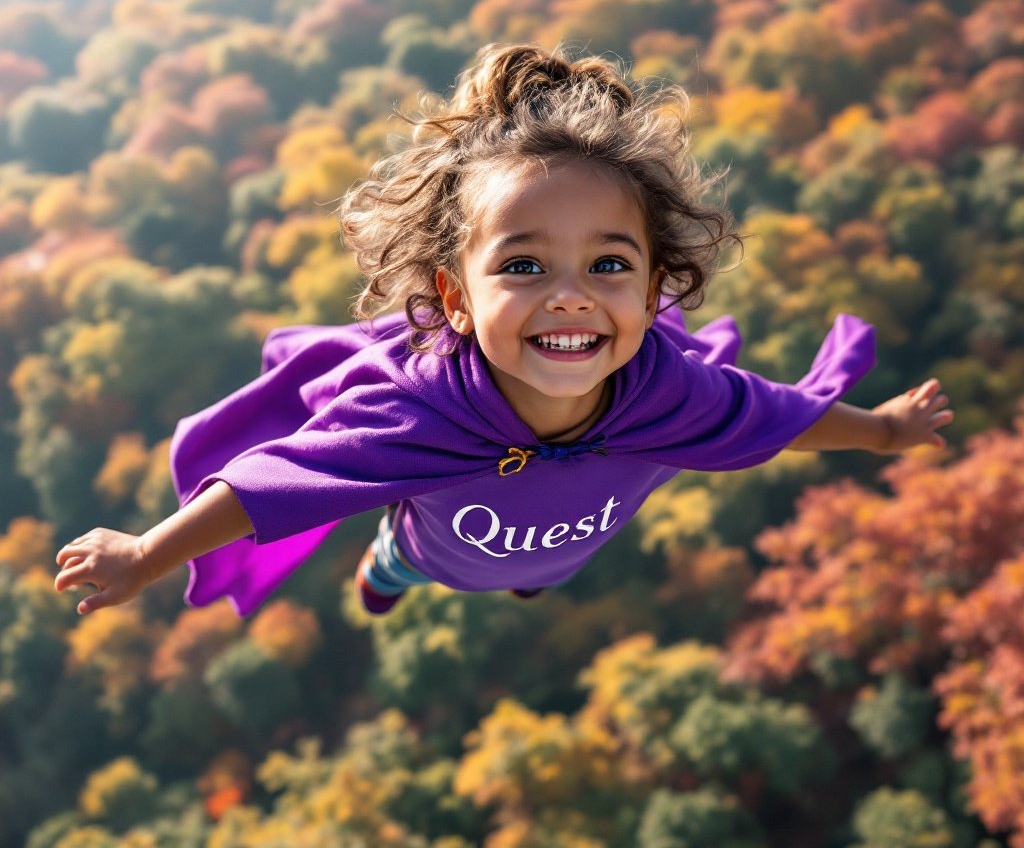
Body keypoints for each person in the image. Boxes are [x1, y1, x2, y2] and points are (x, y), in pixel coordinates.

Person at [53, 44, 953, 619]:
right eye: (523, 267)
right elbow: (269, 484)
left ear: (651, 293)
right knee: (401, 567)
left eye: (608, 266)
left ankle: (525, 578)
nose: (570, 297)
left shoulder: (670, 390)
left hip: (558, 548)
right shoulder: (413, 414)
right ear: (454, 298)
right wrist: (145, 552)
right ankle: (389, 571)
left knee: (534, 579)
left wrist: (879, 432)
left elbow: (778, 416)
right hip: (432, 547)